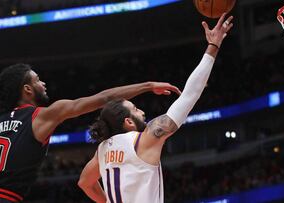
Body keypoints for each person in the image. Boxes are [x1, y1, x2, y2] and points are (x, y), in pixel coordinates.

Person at [0, 63, 180, 203]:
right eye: (38, 80)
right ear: (27, 89)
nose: (43, 83)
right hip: (4, 198)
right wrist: (148, 85)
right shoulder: (41, 116)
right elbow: (102, 99)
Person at [78, 13, 234, 203]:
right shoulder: (145, 139)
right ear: (128, 121)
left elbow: (85, 183)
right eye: (135, 109)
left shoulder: (102, 151)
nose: (142, 112)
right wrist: (213, 46)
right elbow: (189, 95)